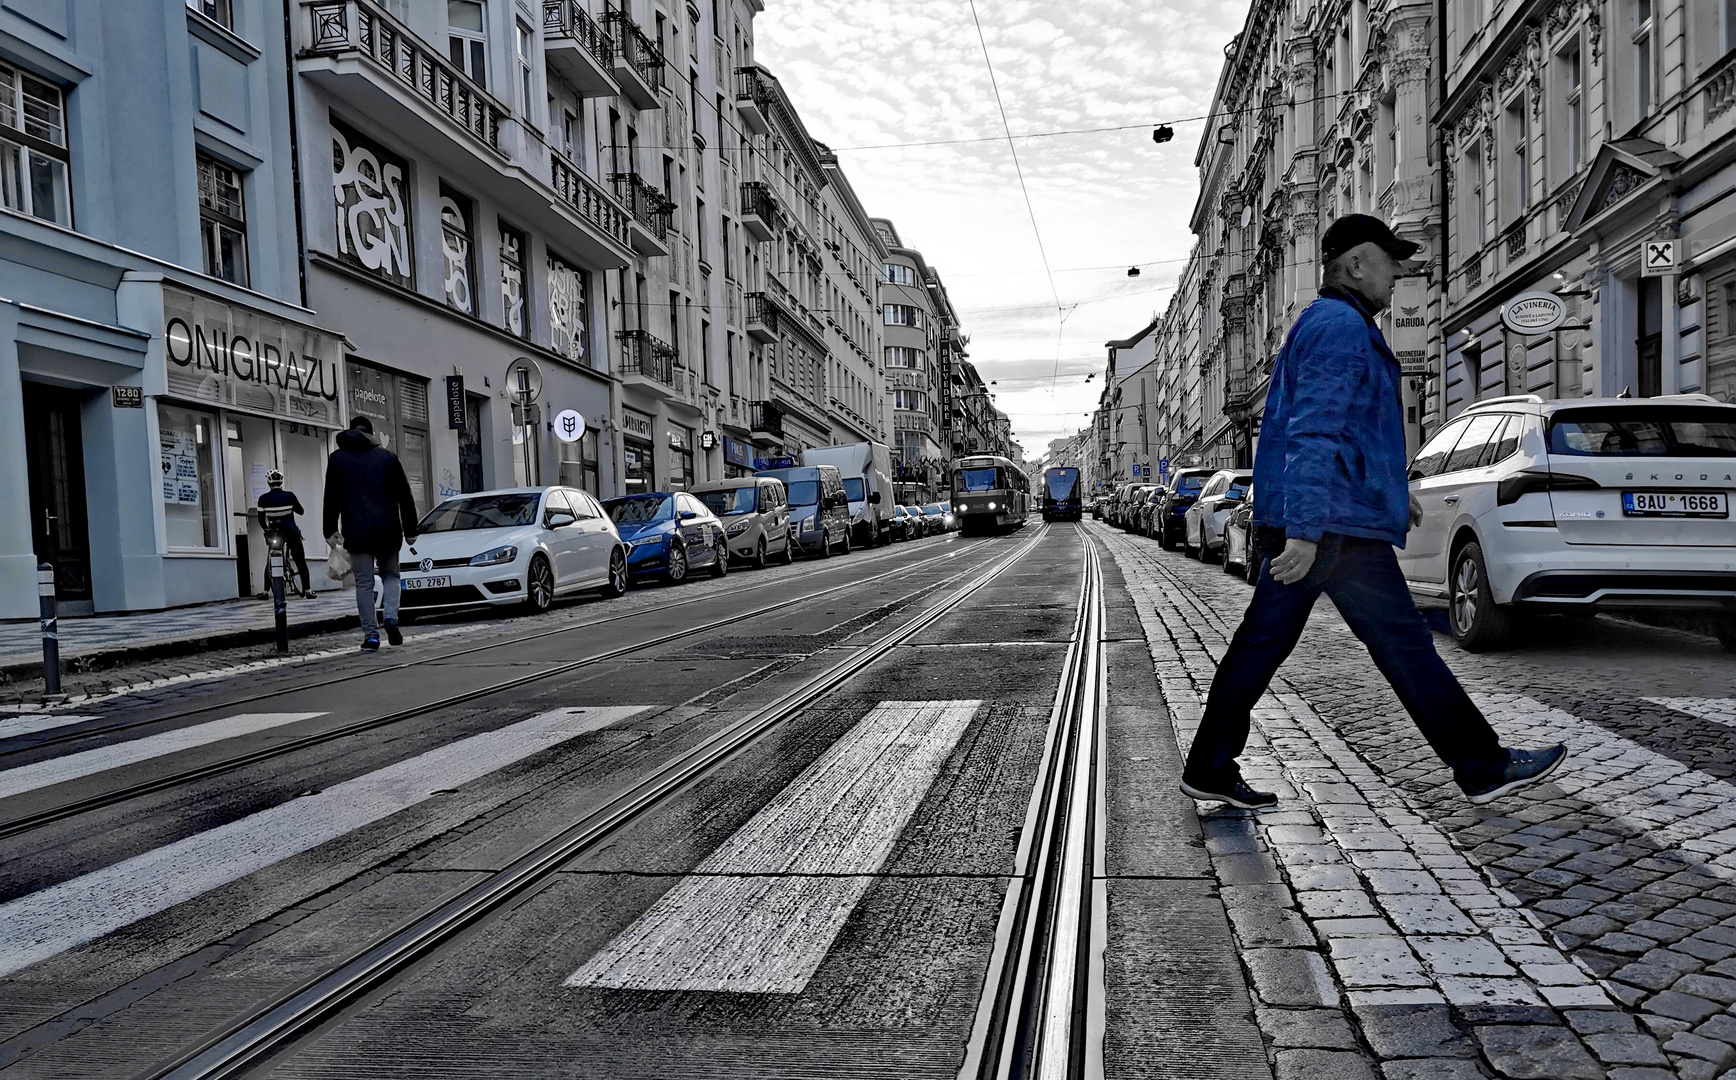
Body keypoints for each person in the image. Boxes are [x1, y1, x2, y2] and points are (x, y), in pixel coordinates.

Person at [1178, 214, 1566, 811]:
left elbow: (1352, 433)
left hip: (1336, 521)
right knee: (1399, 646)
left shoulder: (1333, 321)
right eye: (1389, 263)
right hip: (1330, 531)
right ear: (1357, 265)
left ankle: (1209, 765)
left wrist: (1391, 493)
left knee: (1272, 645)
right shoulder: (1339, 326)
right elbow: (1315, 433)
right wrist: (1305, 533)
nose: (1397, 276)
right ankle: (1481, 764)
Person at [323, 416, 419, 652]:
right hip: (388, 530)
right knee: (391, 576)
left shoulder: (337, 460)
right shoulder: (387, 458)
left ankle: (371, 637)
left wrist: (329, 530)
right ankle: (390, 618)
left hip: (357, 532)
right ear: (371, 434)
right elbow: (405, 496)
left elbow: (331, 497)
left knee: (364, 584)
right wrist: (411, 530)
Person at [257, 470, 313, 597]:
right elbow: (301, 511)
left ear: (268, 482)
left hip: (275, 533)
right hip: (291, 531)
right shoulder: (290, 496)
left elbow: (261, 520)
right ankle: (308, 590)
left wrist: (267, 530)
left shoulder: (263, 499)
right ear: (281, 482)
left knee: (271, 560)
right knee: (300, 560)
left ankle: (266, 591)